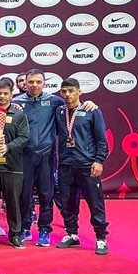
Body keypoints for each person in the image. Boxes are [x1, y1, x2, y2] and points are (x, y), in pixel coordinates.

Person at [13, 69, 97, 246]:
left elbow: (74, 105)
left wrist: (89, 103)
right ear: (25, 83)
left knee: (46, 194)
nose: (34, 85)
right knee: (24, 194)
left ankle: (45, 229)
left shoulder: (54, 101)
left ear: (44, 83)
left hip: (47, 156)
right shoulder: (16, 102)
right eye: (31, 82)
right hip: (24, 156)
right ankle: (25, 228)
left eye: (38, 82)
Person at [54, 78, 110, 255]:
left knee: (95, 203)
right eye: (64, 91)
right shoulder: (59, 111)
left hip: (87, 166)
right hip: (65, 165)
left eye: (71, 90)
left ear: (80, 91)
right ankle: (72, 234)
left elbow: (102, 140)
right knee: (67, 203)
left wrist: (99, 160)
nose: (68, 94)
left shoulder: (91, 111)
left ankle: (101, 238)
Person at [0, 78, 29, 249]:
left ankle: (15, 234)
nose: (2, 96)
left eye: (5, 93)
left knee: (13, 202)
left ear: (11, 95)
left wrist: (8, 147)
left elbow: (24, 137)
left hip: (13, 165)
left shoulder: (19, 114)